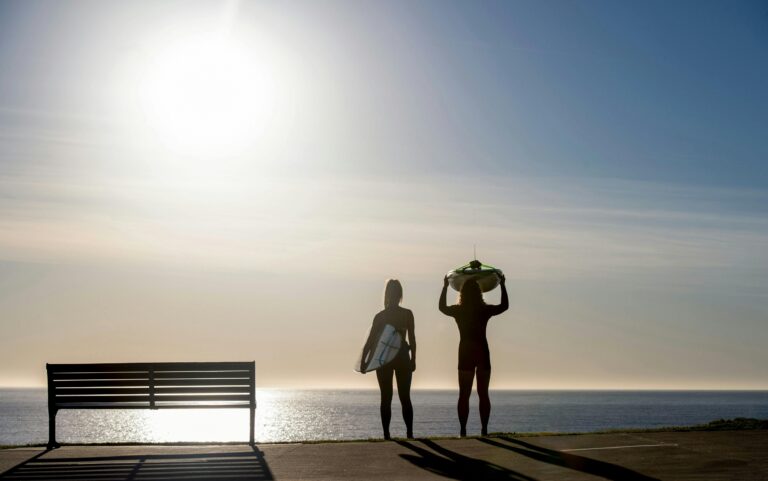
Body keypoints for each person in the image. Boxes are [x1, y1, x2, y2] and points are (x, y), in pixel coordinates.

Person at [439, 274, 508, 437]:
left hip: (465, 353)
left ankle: (463, 431)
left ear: (462, 293)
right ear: (479, 293)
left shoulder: (459, 310)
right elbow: (504, 306)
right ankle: (484, 430)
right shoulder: (484, 310)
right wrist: (503, 285)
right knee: (483, 393)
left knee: (464, 394)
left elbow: (442, 307)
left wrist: (445, 287)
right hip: (482, 351)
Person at [361, 279, 416, 440]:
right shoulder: (407, 314)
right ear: (400, 294)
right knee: (404, 397)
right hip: (403, 357)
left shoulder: (381, 316)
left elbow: (370, 342)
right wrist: (414, 359)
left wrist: (364, 361)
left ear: (387, 294)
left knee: (386, 397)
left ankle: (387, 435)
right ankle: (409, 434)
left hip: (384, 359)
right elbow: (412, 339)